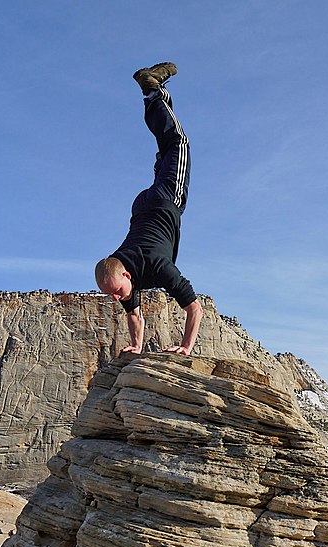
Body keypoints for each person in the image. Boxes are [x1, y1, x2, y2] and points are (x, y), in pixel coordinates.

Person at [95, 62, 203, 356]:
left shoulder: (157, 266)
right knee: (167, 146)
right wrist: (136, 345)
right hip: (143, 205)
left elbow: (194, 307)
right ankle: (157, 92)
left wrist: (186, 346)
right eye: (112, 294)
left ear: (127, 276)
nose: (117, 297)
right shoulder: (118, 273)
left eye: (116, 291)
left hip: (164, 200)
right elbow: (134, 315)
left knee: (178, 142)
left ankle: (153, 91)